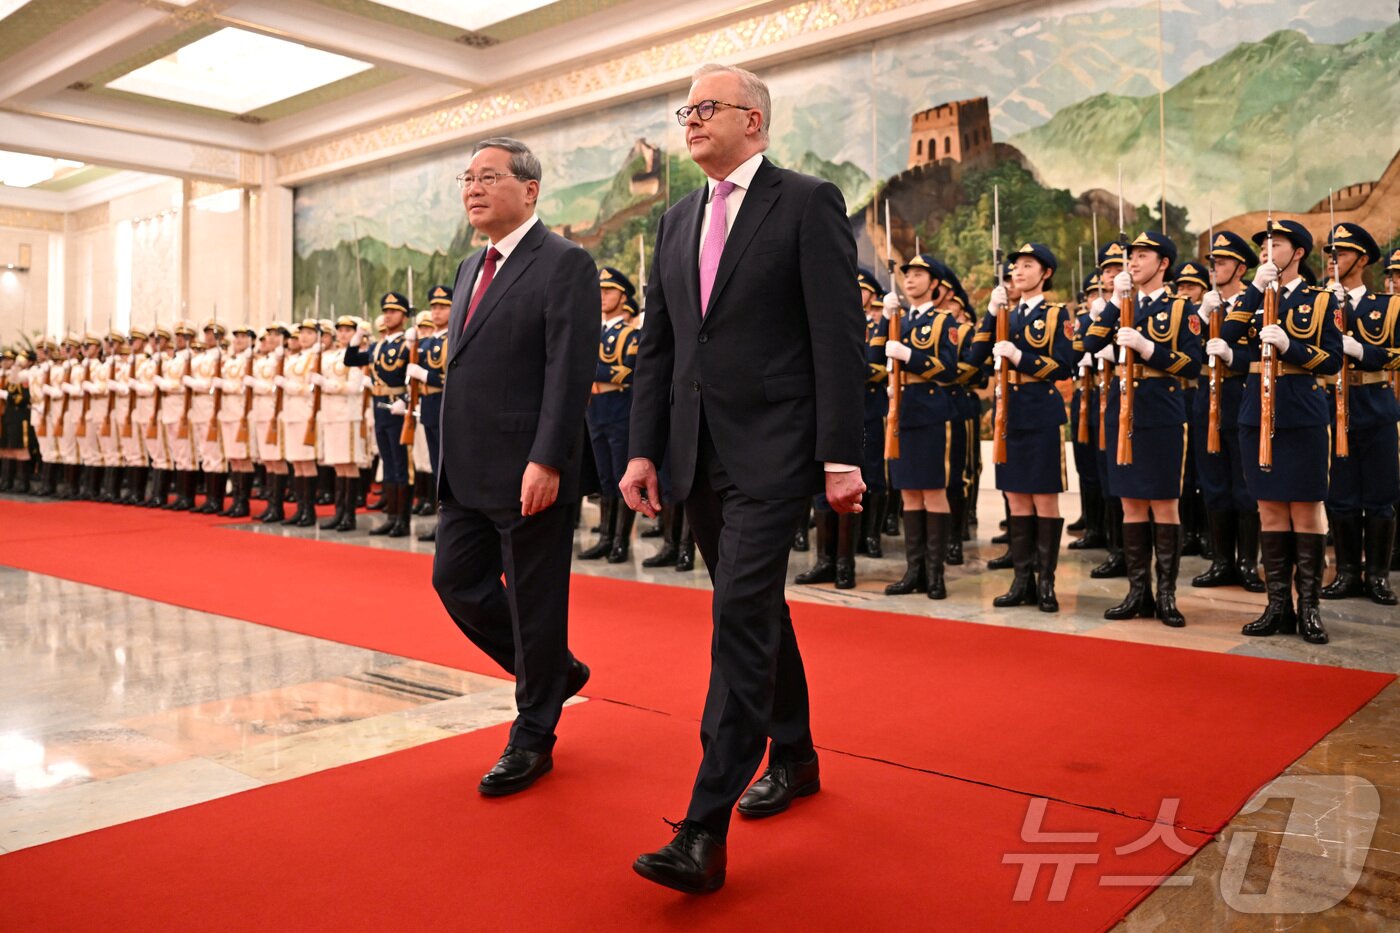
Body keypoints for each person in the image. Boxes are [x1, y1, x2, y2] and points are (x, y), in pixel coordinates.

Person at [620, 63, 865, 894]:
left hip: (775, 450)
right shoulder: (677, 218)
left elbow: (837, 337)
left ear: (753, 121)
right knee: (756, 608)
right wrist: (643, 449)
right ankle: (794, 755)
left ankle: (702, 825)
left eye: (706, 108)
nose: (689, 121)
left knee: (736, 619)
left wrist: (841, 454)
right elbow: (663, 346)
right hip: (696, 454)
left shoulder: (806, 201)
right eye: (685, 109)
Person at [430, 136, 596, 797]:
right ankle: (553, 670)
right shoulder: (472, 267)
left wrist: (548, 457)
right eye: (467, 179)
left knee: (534, 601)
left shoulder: (565, 264)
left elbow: (568, 370)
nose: (473, 188)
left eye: (488, 177)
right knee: (456, 582)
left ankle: (533, 735)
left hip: (529, 468)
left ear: (529, 189)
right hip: (464, 469)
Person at [1219, 219, 1342, 644]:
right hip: (1257, 414)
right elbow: (1227, 336)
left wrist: (1293, 346)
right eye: (1264, 245)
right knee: (1269, 509)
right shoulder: (1254, 298)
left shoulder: (1320, 299)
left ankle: (1308, 607)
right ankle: (1277, 607)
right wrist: (1255, 289)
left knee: (1306, 510)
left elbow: (1331, 362)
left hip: (1301, 415)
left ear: (1299, 252)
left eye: (1277, 243)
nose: (1268, 250)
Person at [1083, 232, 1202, 628]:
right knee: (1131, 502)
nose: (1132, 263)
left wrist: (1149, 349)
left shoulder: (1181, 307)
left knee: (1164, 502)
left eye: (1141, 256)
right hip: (1123, 410)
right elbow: (1089, 341)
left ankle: (1166, 595)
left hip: (1162, 411)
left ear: (1163, 263)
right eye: (1129, 256)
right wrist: (1116, 303)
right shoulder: (1123, 305)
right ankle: (1138, 592)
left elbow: (1191, 364)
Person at [965, 243, 1075, 611]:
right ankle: (1021, 580)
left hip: (1040, 411)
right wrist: (990, 313)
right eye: (1015, 266)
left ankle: (1046, 583)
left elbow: (1064, 366)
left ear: (1045, 273)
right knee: (1015, 497)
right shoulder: (1004, 314)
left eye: (1027, 265)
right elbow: (973, 357)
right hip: (1007, 413)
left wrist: (1020, 357)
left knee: (1044, 498)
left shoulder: (1058, 314)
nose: (1018, 271)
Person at [1318, 223, 1398, 605]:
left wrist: (1361, 349)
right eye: (1331, 254)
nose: (1334, 261)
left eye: (1343, 254)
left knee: (1380, 493)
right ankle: (1347, 572)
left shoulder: (1389, 306)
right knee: (1342, 493)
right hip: (1335, 405)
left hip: (1376, 404)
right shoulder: (1321, 302)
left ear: (1363, 260)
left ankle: (1378, 576)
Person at [878, 254, 960, 599]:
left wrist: (910, 357)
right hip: (901, 412)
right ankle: (914, 571)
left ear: (935, 284)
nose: (910, 279)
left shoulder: (943, 322)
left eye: (918, 274)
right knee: (909, 492)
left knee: (932, 491)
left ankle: (935, 573)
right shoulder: (897, 320)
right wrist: (885, 321)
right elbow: (873, 358)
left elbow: (950, 369)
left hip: (929, 412)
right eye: (907, 274)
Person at [1191, 232, 1265, 591]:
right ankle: (1221, 562)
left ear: (1240, 267)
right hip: (1207, 400)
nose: (1214, 269)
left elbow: (1263, 353)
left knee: (1244, 484)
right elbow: (1184, 355)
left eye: (1221, 262)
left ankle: (1248, 562)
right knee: (1213, 483)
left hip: (1243, 398)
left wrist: (1234, 357)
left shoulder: (1257, 304)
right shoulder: (1199, 309)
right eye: (1212, 262)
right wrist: (1200, 315)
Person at [580, 266, 641, 563]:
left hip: (619, 405)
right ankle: (605, 537)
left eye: (609, 291)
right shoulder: (592, 331)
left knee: (620, 475)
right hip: (595, 406)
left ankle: (621, 542)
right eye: (600, 291)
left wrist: (592, 371)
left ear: (623, 295)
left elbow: (628, 372)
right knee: (604, 476)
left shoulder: (631, 334)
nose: (602, 296)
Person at [345, 295, 414, 536]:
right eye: (385, 311)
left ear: (404, 316)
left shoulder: (408, 345)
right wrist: (357, 337)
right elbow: (350, 359)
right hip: (379, 408)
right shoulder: (377, 346)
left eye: (394, 312)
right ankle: (392, 516)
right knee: (389, 464)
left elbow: (413, 380)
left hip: (397, 409)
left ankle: (403, 521)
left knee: (400, 465)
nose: (388, 315)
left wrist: (405, 402)